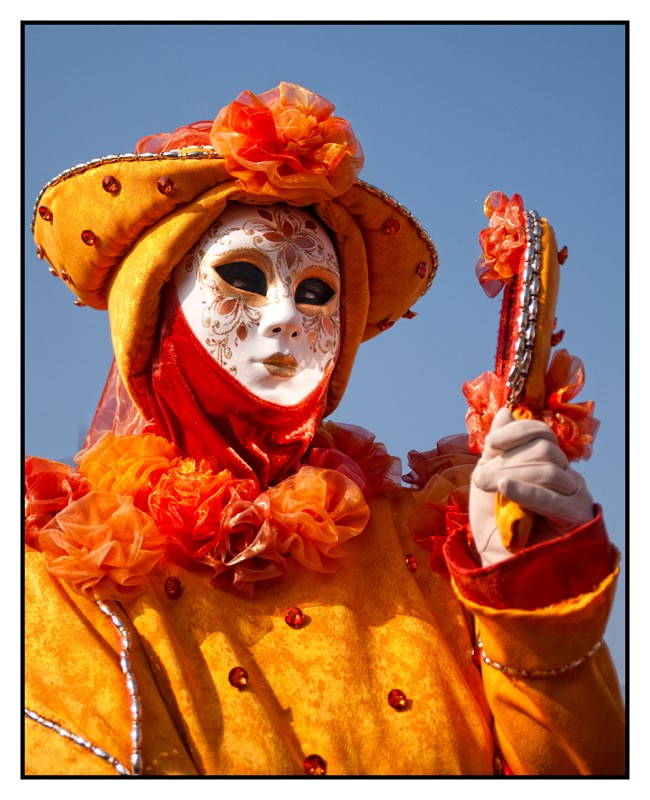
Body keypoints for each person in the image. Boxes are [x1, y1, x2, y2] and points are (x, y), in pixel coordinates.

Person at [24, 82, 625, 776]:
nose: (286, 317)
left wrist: (530, 594)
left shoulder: (433, 546)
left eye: (316, 291)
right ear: (153, 306)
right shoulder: (69, 575)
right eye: (243, 277)